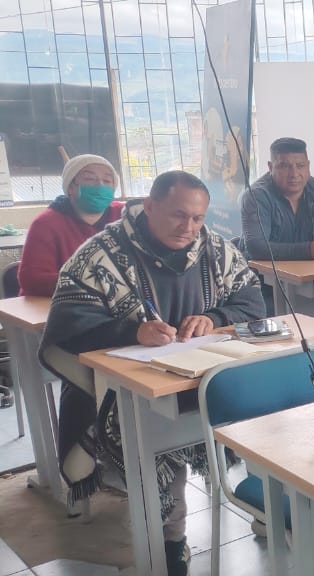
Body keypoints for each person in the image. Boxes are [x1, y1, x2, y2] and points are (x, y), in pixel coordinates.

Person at [41, 170, 266, 576]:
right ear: (148, 206)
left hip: (200, 373)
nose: (189, 227)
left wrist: (215, 317)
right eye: (178, 215)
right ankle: (171, 542)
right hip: (126, 386)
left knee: (262, 406)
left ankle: (266, 506)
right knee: (160, 451)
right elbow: (66, 326)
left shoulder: (215, 249)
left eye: (198, 218)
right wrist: (132, 331)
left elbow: (252, 300)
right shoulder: (100, 254)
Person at [17, 154, 126, 296]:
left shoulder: (125, 216)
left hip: (115, 301)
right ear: (70, 188)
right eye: (89, 179)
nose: (100, 185)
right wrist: (97, 284)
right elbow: (33, 279)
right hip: (58, 303)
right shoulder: (46, 224)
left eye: (107, 180)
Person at [239, 137, 314, 261]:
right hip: (262, 271)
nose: (294, 174)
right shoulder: (256, 196)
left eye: (300, 166)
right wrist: (309, 250)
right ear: (270, 167)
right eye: (284, 166)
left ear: (308, 165)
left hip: (309, 269)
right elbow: (256, 248)